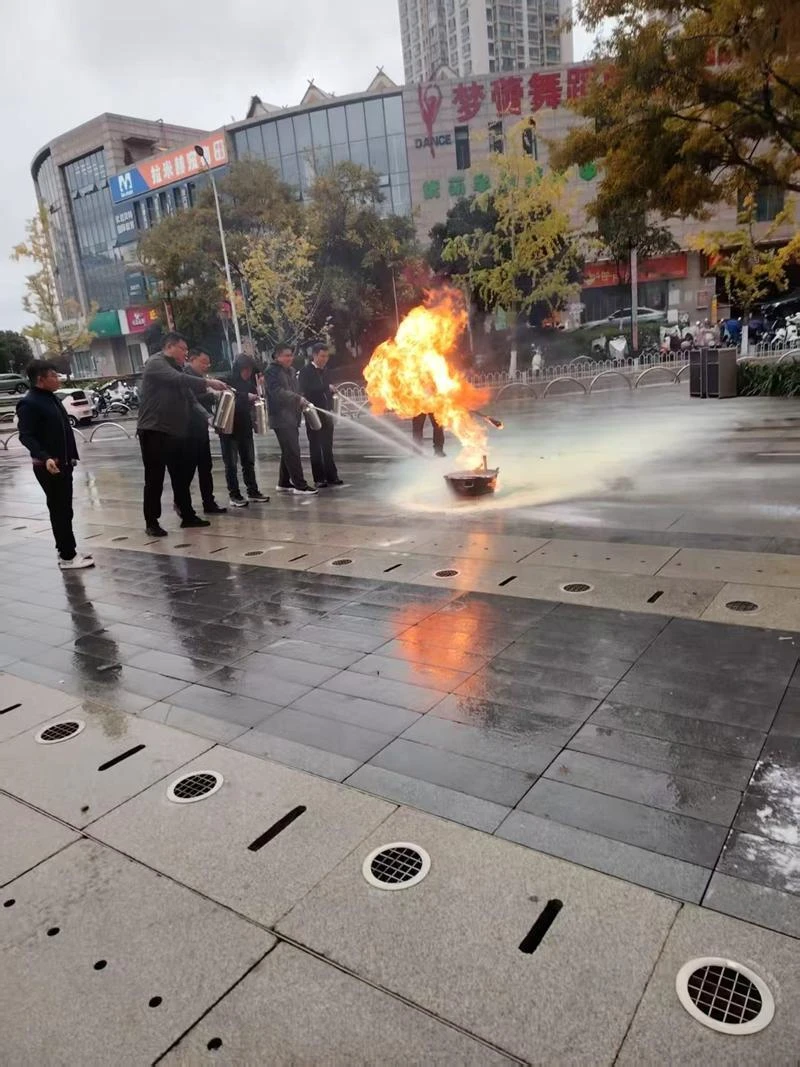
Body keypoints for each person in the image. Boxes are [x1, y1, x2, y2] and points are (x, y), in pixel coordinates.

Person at [136, 331, 225, 536]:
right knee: (155, 478)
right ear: (169, 347)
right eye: (182, 349)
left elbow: (191, 400)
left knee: (181, 476)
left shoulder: (177, 368)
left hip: (175, 432)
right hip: (153, 430)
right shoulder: (156, 363)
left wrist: (208, 418)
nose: (186, 353)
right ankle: (152, 522)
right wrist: (208, 382)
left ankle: (187, 515)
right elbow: (178, 379)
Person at [16, 361, 94, 569]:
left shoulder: (51, 398)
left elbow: (64, 431)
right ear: (40, 379)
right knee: (59, 509)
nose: (57, 379)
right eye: (53, 375)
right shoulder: (29, 403)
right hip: (49, 466)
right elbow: (26, 436)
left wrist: (72, 456)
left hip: (64, 463)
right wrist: (45, 457)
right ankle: (67, 556)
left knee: (65, 509)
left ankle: (68, 549)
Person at [265, 343, 317, 495]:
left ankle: (283, 483)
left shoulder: (291, 371)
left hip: (292, 415)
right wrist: (296, 398)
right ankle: (300, 485)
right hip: (280, 417)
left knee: (288, 450)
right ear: (277, 356)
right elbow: (276, 392)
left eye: (291, 355)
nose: (290, 358)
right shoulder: (271, 371)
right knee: (293, 451)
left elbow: (295, 389)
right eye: (286, 355)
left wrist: (300, 398)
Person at [219, 354, 270, 508]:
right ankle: (234, 494)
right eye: (245, 369)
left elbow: (255, 400)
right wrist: (245, 396)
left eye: (250, 370)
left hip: (245, 427)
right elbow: (226, 396)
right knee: (231, 464)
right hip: (229, 427)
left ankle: (252, 490)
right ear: (239, 368)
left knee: (248, 461)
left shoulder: (249, 383)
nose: (247, 373)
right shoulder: (227, 380)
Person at [184, 349, 226, 515]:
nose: (206, 366)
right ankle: (182, 505)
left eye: (208, 363)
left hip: (201, 427)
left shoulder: (200, 377)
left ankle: (209, 502)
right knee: (188, 469)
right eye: (203, 362)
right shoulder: (185, 376)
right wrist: (211, 396)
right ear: (192, 360)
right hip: (188, 429)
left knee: (205, 466)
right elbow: (189, 401)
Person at [298, 342, 343, 488]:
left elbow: (327, 388)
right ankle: (319, 478)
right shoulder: (305, 371)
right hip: (313, 413)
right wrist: (326, 387)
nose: (325, 359)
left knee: (327, 446)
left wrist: (332, 392)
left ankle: (332, 476)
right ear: (314, 355)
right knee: (316, 446)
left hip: (326, 412)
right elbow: (307, 389)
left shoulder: (326, 371)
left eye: (327, 356)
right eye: (322, 356)